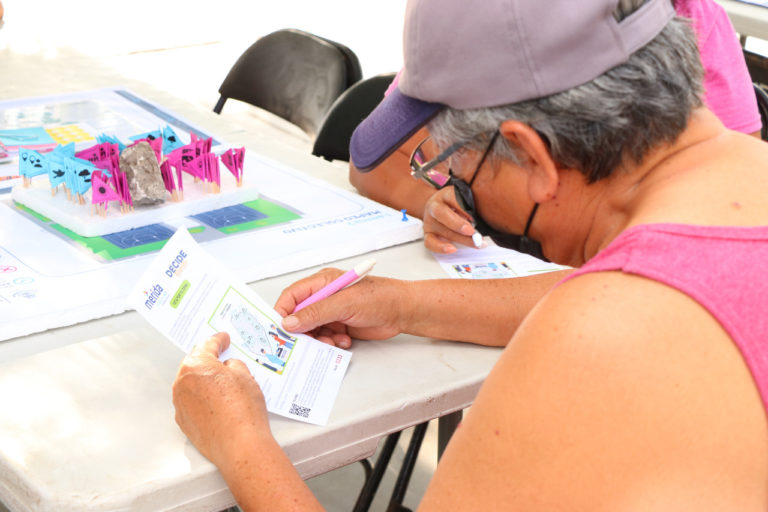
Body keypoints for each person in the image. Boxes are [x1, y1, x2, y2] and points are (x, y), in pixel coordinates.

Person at [172, 0, 768, 509]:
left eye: (453, 167)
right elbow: (636, 292)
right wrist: (404, 305)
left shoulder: (603, 334)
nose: (454, 187)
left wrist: (240, 445)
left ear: (532, 158)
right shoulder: (726, 206)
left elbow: (608, 315)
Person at [349, 0, 763, 254]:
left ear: (533, 156)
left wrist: (411, 307)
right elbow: (374, 161)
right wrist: (434, 203)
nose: (455, 171)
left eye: (457, 155)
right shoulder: (478, 22)